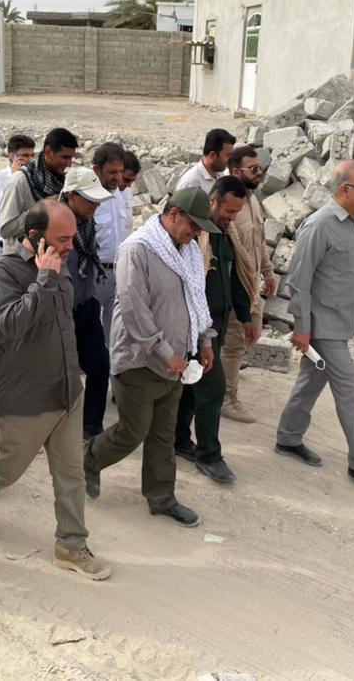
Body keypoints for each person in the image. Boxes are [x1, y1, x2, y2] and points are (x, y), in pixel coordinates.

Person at [0, 200, 111, 581]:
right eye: (62, 239)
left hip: (67, 391)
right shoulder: (2, 272)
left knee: (71, 474)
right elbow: (11, 325)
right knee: (6, 470)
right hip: (27, 398)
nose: (70, 246)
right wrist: (43, 280)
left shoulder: (61, 263)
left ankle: (70, 545)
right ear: (33, 236)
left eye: (72, 238)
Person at [84, 188, 218, 527]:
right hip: (140, 360)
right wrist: (164, 352)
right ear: (173, 215)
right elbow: (134, 311)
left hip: (177, 360)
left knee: (163, 434)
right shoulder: (137, 250)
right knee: (133, 431)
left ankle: (162, 498)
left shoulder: (188, 250)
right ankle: (87, 460)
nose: (197, 233)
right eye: (193, 225)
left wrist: (204, 340)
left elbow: (196, 299)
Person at [276, 160, 354, 485]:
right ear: (345, 190)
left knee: (311, 381)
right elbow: (299, 282)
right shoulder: (319, 226)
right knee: (350, 389)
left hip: (342, 321)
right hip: (322, 325)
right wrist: (302, 328)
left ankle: (288, 437)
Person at [175, 177, 256, 483]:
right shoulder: (194, 237)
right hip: (194, 328)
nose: (232, 217)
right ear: (213, 201)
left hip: (216, 327)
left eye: (237, 212)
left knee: (191, 387)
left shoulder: (225, 235)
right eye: (228, 211)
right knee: (213, 388)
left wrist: (245, 317)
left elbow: (233, 279)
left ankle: (178, 439)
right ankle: (209, 455)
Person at [220, 145, 276, 423]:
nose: (259, 173)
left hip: (252, 284)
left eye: (260, 168)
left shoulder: (252, 201)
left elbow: (259, 241)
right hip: (235, 287)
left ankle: (223, 386)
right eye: (253, 169)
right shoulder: (230, 209)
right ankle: (226, 399)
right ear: (235, 172)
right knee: (232, 343)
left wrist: (268, 272)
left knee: (245, 340)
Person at [58, 167, 113, 439]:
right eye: (90, 200)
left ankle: (91, 428)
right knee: (62, 373)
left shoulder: (88, 225)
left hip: (86, 304)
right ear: (71, 196)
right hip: (59, 310)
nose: (95, 206)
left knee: (100, 365)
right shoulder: (53, 223)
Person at [0, 128, 77, 252]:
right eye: (65, 157)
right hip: (22, 259)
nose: (69, 164)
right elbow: (6, 229)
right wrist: (42, 209)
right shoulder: (20, 180)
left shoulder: (61, 182)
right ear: (49, 152)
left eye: (71, 158)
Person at [90, 143, 128, 350]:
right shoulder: (87, 197)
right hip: (93, 274)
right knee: (89, 328)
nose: (118, 177)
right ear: (97, 169)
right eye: (112, 172)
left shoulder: (120, 195)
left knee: (114, 331)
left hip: (118, 272)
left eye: (120, 172)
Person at [0, 134, 35, 259]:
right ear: (11, 156)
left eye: (32, 155)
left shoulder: (33, 178)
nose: (30, 160)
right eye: (25, 155)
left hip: (24, 245)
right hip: (1, 247)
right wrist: (14, 178)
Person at [174, 129, 235, 194]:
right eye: (227, 155)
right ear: (212, 155)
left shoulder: (219, 174)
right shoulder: (191, 183)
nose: (230, 159)